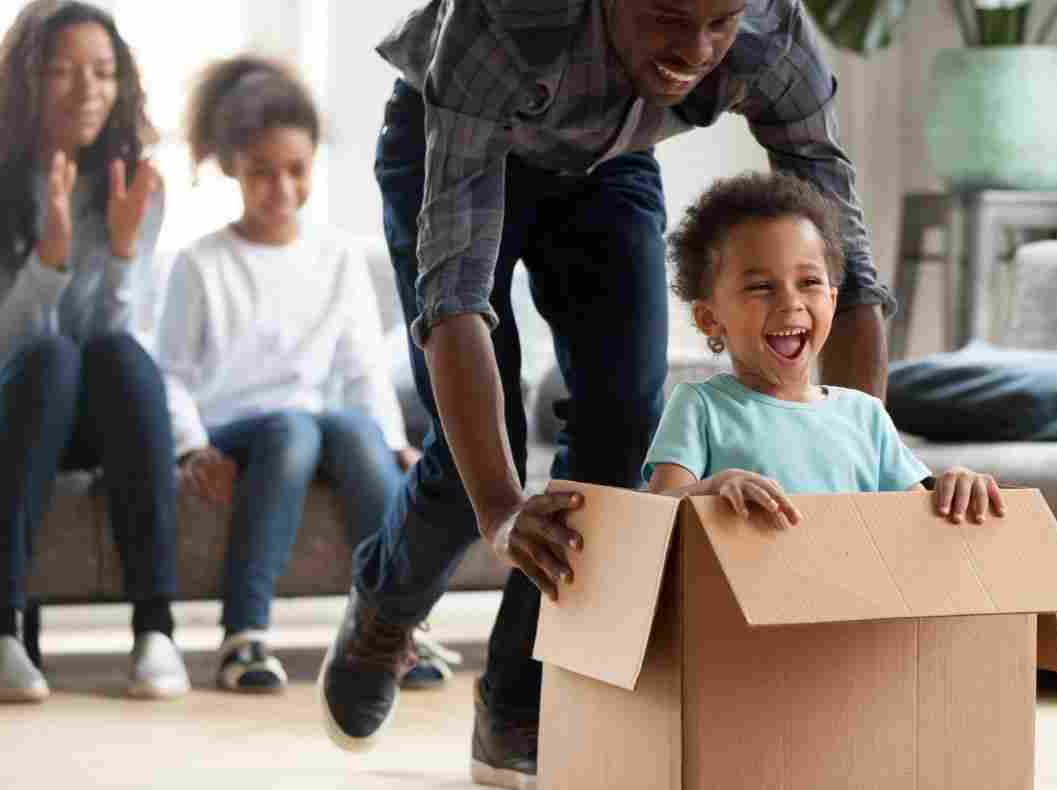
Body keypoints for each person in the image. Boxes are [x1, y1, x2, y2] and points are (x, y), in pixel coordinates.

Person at [319, 3, 894, 787]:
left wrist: (862, 486)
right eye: (666, 16)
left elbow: (848, 269)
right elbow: (452, 301)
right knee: (474, 470)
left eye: (717, 23)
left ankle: (518, 698)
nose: (695, 50)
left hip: (608, 163)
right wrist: (501, 509)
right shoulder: (503, 28)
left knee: (624, 428)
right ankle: (386, 611)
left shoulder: (769, 31)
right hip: (451, 139)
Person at [155, 55, 450, 695]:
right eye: (262, 172)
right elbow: (170, 375)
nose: (281, 188)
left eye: (296, 170)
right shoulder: (199, 264)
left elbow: (361, 367)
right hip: (235, 429)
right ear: (231, 166)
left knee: (349, 429)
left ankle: (393, 629)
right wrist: (190, 446)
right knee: (295, 429)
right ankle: (244, 638)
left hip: (311, 431)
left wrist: (393, 441)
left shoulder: (338, 257)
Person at [0, 0, 185, 702]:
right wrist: (49, 262)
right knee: (50, 359)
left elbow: (111, 338)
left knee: (116, 354)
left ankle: (157, 629)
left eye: (102, 72)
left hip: (88, 411)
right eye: (62, 72)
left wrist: (118, 251)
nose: (87, 90)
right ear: (25, 83)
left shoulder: (136, 187)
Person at [645, 172, 1005, 521]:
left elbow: (915, 522)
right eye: (760, 287)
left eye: (809, 282)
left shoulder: (865, 416)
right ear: (710, 318)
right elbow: (657, 516)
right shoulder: (700, 407)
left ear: (832, 301)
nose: (790, 302)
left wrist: (956, 486)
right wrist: (711, 490)